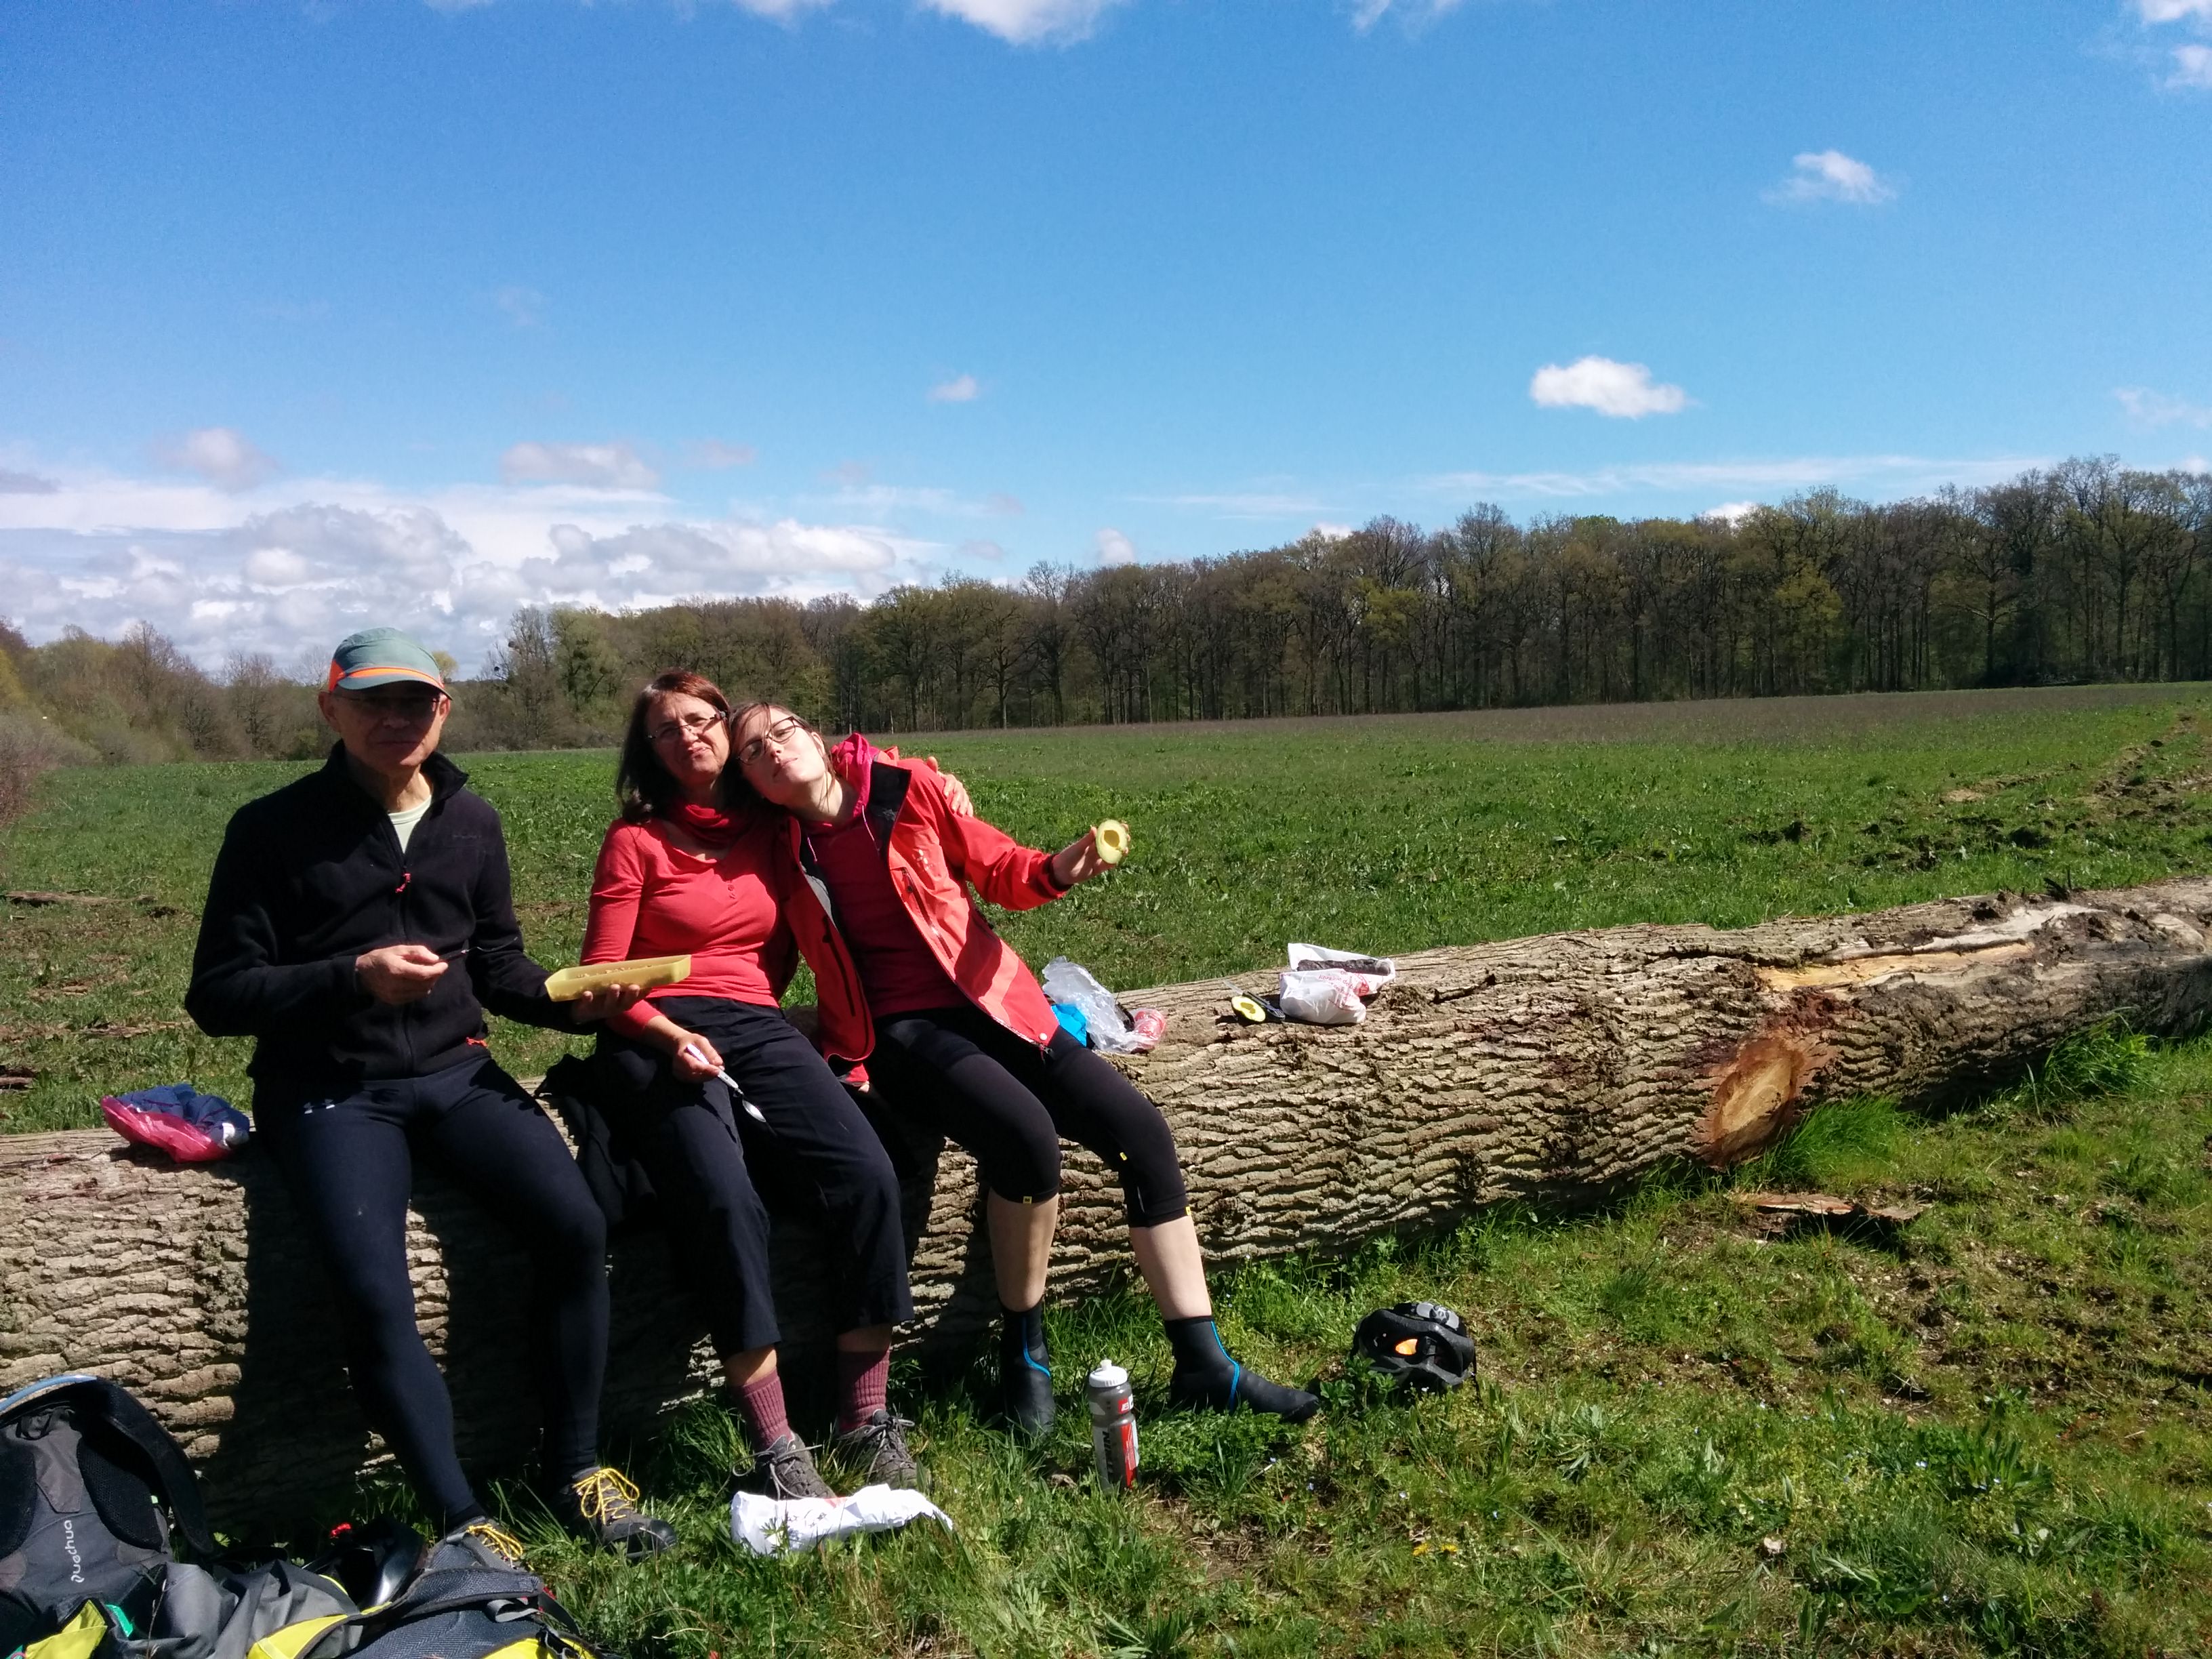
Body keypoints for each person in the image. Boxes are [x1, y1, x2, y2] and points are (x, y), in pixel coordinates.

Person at [185, 628, 675, 1563]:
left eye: (414, 700)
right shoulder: (270, 829)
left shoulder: (472, 821)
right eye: (372, 701)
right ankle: (461, 1519)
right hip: (331, 1088)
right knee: (375, 1289)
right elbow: (217, 995)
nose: (396, 718)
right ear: (330, 709)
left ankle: (576, 1470)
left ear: (443, 710)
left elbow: (496, 964)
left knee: (576, 1226)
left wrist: (575, 1003)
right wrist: (351, 978)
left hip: (456, 1073)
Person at [729, 703, 1321, 1435]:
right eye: (752, 750)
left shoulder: (908, 789)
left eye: (783, 730)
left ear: (816, 739)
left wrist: (1058, 867)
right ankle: (1024, 1352)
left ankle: (1204, 1364)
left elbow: (997, 865)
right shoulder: (774, 853)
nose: (773, 748)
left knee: (1141, 1134)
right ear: (750, 782)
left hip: (998, 1002)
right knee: (1025, 1137)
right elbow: (749, 948)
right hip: (898, 1035)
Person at [577, 671, 923, 1500]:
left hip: (759, 1023)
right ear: (649, 752)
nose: (689, 737)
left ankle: (863, 1417)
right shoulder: (636, 841)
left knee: (867, 1172)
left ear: (727, 730)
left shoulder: (769, 827)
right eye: (668, 730)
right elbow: (599, 979)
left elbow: (846, 780)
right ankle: (775, 1441)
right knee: (724, 1195)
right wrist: (669, 1036)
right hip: (655, 1032)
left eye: (703, 720)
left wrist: (930, 779)